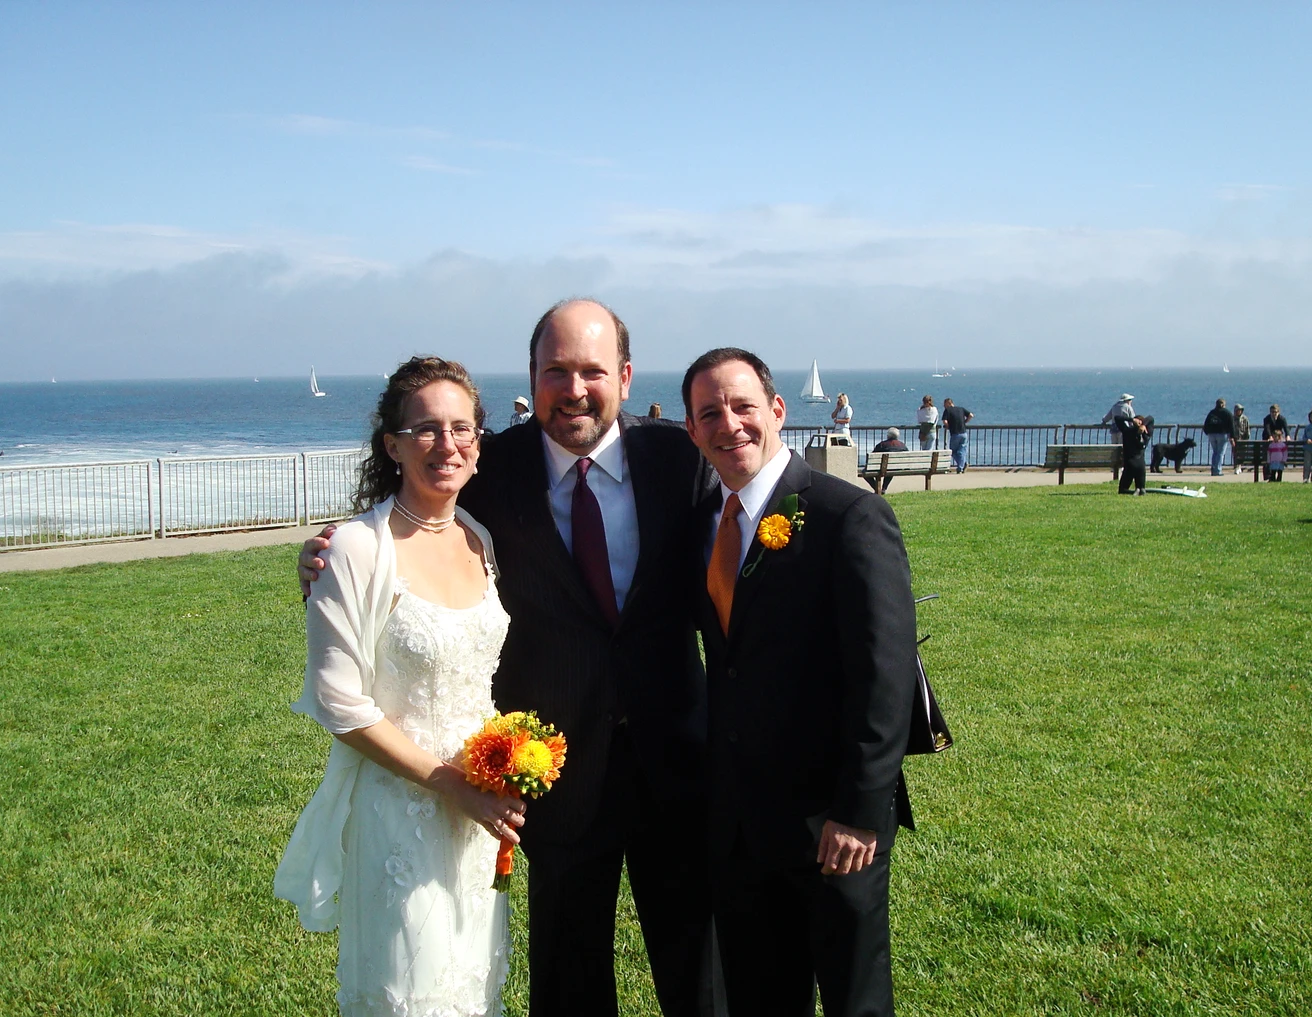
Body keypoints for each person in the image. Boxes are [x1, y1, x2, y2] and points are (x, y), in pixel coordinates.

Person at [300, 300, 720, 1017]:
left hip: (673, 760)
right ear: (532, 375)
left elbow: (739, 553)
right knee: (567, 978)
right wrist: (319, 558)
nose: (574, 388)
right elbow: (406, 536)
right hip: (553, 773)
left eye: (592, 370)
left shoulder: (678, 460)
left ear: (623, 374)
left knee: (702, 976)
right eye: (555, 370)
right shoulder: (489, 472)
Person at [276, 357, 518, 1016]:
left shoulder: (481, 539)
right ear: (392, 443)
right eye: (426, 429)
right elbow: (338, 702)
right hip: (399, 816)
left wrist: (499, 771)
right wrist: (446, 781)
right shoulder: (354, 548)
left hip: (478, 820)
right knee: (409, 994)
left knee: (474, 986)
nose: (447, 444)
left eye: (462, 427)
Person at [682, 347, 917, 1017]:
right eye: (709, 414)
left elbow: (885, 674)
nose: (730, 424)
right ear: (694, 432)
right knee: (759, 996)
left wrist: (859, 810)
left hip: (830, 821)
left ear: (777, 411)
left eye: (743, 406)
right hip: (739, 824)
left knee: (853, 998)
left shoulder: (849, 517)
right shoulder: (705, 526)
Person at [1115, 414, 1150, 494]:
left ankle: (1134, 492)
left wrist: (1131, 419)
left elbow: (1117, 418)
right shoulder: (1146, 434)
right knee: (1142, 489)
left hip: (1130, 464)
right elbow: (1151, 418)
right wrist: (1144, 424)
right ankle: (1139, 489)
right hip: (1141, 465)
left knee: (1122, 490)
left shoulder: (1127, 432)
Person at [870, 427, 909, 492]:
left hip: (882, 467)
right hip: (897, 467)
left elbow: (872, 456)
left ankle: (877, 488)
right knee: (890, 469)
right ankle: (883, 489)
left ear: (888, 435)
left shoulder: (882, 444)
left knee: (865, 473)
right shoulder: (902, 445)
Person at [941, 397, 973, 473]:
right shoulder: (961, 409)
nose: (944, 406)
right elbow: (971, 415)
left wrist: (948, 426)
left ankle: (961, 466)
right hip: (964, 433)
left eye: (945, 404)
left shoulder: (947, 410)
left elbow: (944, 421)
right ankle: (963, 464)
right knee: (962, 450)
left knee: (953, 451)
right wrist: (965, 422)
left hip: (955, 433)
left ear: (948, 403)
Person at [1202, 398, 1232, 476]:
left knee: (1215, 452)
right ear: (1224, 405)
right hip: (1222, 434)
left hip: (1211, 434)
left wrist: (1207, 432)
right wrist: (1232, 436)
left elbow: (1206, 424)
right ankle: (1218, 470)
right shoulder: (1227, 413)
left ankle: (1213, 468)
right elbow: (1231, 425)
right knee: (1220, 453)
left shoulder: (1212, 413)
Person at [1231, 404, 1251, 474]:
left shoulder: (1245, 418)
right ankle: (1236, 466)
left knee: (1242, 453)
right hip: (1235, 439)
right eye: (1237, 410)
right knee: (1235, 453)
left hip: (1243, 439)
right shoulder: (1232, 418)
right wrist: (1231, 438)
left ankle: (1240, 466)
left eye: (1240, 410)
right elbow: (1230, 429)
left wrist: (1247, 438)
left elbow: (1247, 429)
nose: (1239, 412)